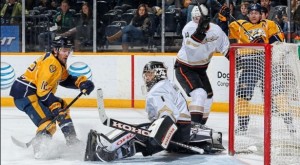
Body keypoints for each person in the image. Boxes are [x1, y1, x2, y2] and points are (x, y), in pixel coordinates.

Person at [84, 61, 225, 162]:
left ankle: (107, 152)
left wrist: (161, 131)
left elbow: (167, 111)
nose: (147, 77)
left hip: (173, 130)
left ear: (158, 73)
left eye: (149, 74)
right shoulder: (167, 85)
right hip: (181, 130)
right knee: (140, 139)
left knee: (137, 132)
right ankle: (113, 149)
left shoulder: (158, 89)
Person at [9, 36, 95, 158]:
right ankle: (40, 148)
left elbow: (65, 80)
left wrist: (81, 83)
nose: (67, 53)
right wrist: (55, 108)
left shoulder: (58, 61)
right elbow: (42, 92)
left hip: (30, 92)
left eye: (68, 50)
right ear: (56, 50)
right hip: (26, 94)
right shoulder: (51, 64)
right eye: (64, 50)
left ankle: (71, 140)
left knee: (62, 106)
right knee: (48, 123)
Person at [218, 3, 295, 133]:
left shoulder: (269, 24)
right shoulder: (239, 24)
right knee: (242, 96)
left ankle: (289, 123)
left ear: (261, 14)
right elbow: (223, 34)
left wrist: (263, 42)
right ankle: (242, 125)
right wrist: (222, 19)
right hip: (248, 64)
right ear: (247, 14)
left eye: (256, 13)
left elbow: (279, 41)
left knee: (278, 93)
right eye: (251, 13)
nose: (253, 15)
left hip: (267, 62)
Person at [174, 5, 230, 127]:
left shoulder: (216, 30)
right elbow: (191, 48)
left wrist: (239, 62)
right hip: (184, 67)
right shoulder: (188, 28)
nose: (196, 21)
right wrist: (200, 31)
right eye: (194, 18)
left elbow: (226, 49)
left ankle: (200, 127)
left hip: (200, 69)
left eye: (198, 18)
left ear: (206, 18)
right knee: (199, 93)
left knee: (208, 98)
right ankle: (193, 128)